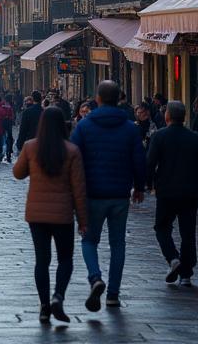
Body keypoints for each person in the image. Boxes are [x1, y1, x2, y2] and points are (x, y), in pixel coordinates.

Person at [70, 80, 146, 311]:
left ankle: (95, 277)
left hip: (92, 195)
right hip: (120, 194)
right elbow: (139, 160)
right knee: (118, 244)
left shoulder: (84, 127)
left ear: (98, 99)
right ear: (119, 99)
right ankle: (113, 293)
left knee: (89, 239)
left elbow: (73, 160)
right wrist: (140, 187)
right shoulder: (130, 128)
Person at [13, 105, 87, 324]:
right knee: (65, 259)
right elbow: (79, 189)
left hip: (36, 215)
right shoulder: (72, 150)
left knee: (41, 260)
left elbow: (18, 173)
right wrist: (83, 221)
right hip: (63, 214)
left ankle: (44, 306)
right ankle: (58, 296)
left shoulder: (31, 147)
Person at [145, 101, 198, 287]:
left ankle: (173, 258)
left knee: (162, 228)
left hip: (166, 191)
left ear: (167, 116)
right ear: (183, 117)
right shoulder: (193, 138)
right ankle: (186, 274)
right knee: (188, 233)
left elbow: (150, 163)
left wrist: (147, 184)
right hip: (190, 192)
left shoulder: (159, 136)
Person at [16, 90, 43, 154]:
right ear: (41, 99)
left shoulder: (27, 112)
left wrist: (19, 144)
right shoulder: (45, 111)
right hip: (42, 142)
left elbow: (23, 129)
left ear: (33, 99)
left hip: (30, 141)